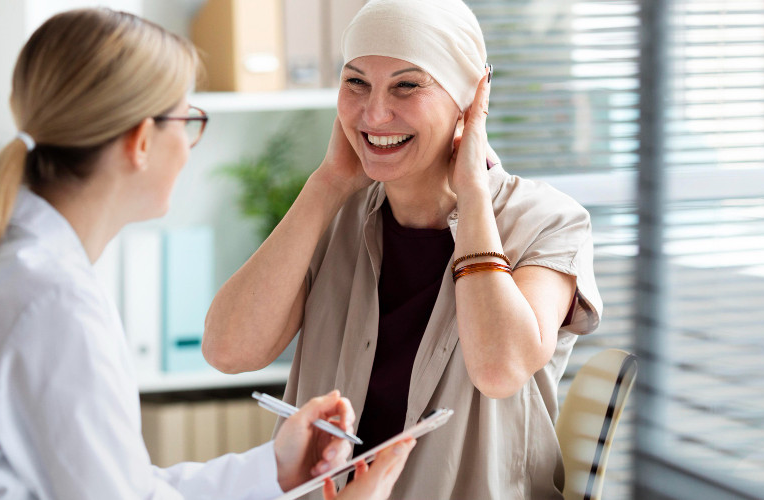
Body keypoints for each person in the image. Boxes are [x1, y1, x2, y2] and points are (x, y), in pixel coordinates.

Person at [0, 8, 415, 500]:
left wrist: (273, 469)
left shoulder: (9, 266)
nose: (190, 148)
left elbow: (120, 485)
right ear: (141, 141)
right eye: (188, 121)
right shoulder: (50, 303)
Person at [203, 0, 603, 498]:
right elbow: (228, 351)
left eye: (407, 85)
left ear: (468, 100)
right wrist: (327, 183)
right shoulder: (336, 214)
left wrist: (474, 197)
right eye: (356, 83)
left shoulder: (547, 221)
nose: (374, 113)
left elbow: (499, 370)